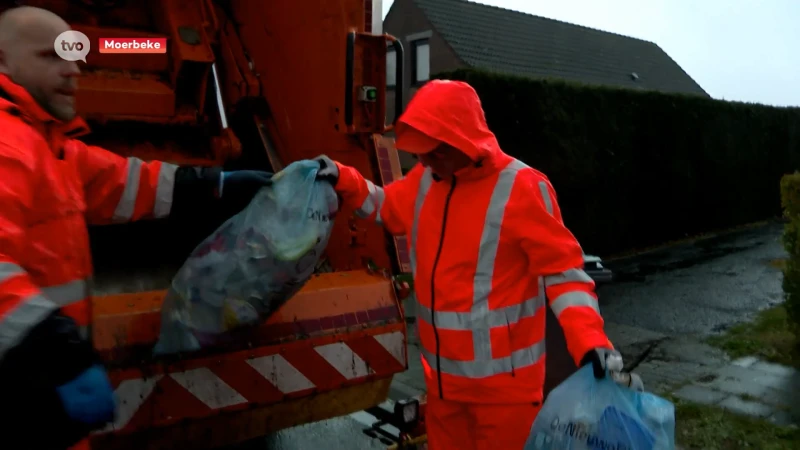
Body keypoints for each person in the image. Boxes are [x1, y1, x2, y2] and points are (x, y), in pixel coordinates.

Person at [313, 80, 643, 449]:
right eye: (420, 154)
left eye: (434, 153)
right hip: (443, 391)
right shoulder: (426, 181)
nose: (424, 161)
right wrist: (344, 178)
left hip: (505, 399)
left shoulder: (523, 188)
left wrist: (591, 341)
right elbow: (385, 206)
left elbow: (565, 276)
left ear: (463, 141)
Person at [0, 6, 272, 449]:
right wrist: (59, 356)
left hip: (38, 396)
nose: (73, 70)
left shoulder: (53, 147)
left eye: (74, 55)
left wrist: (217, 184)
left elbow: (127, 182)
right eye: (51, 56)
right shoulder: (9, 144)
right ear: (3, 61)